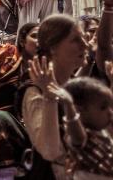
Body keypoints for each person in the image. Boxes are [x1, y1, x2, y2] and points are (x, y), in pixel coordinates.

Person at [21, 14, 87, 179]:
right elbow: (49, 151)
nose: (85, 45)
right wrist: (50, 99)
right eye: (75, 40)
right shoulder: (34, 92)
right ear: (53, 48)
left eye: (84, 38)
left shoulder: (76, 86)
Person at [41, 77, 113, 179]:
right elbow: (78, 138)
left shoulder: (101, 130)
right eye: (103, 107)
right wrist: (69, 106)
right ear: (80, 110)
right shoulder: (79, 135)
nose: (110, 112)